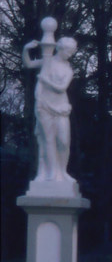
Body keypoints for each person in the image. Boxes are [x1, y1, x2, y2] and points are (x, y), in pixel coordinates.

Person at [22, 19, 77, 185]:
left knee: (63, 140)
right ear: (62, 49)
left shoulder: (68, 69)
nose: (71, 54)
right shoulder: (47, 62)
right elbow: (29, 64)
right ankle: (51, 173)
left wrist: (45, 81)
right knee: (47, 140)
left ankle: (62, 171)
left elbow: (61, 88)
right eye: (70, 51)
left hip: (61, 107)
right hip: (44, 105)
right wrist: (25, 49)